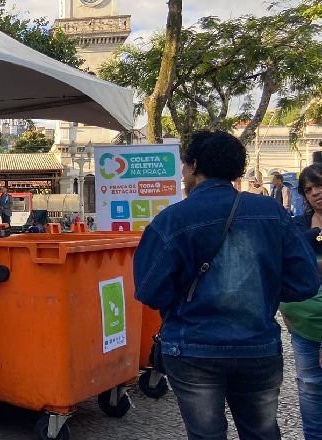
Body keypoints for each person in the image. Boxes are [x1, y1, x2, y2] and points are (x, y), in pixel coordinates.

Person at [134, 130, 319, 440]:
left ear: (193, 166)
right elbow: (304, 282)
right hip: (257, 345)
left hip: (193, 348)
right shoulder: (273, 213)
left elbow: (150, 291)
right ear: (236, 169)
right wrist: (264, 291)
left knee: (206, 435)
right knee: (262, 433)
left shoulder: (172, 220)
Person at [283, 163, 322, 440]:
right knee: (309, 387)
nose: (315, 193)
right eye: (308, 189)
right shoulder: (298, 225)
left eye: (319, 185)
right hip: (303, 327)